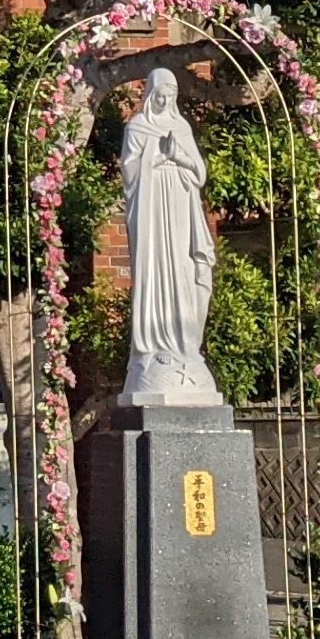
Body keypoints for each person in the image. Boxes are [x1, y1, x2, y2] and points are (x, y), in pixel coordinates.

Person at [120, 66, 224, 406]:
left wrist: (179, 156)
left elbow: (200, 172)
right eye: (161, 96)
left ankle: (184, 346)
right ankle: (154, 347)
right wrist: (158, 155)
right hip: (152, 211)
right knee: (156, 272)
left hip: (179, 206)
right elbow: (129, 173)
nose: (166, 101)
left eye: (171, 96)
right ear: (151, 95)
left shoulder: (182, 127)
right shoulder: (137, 127)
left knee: (183, 269)